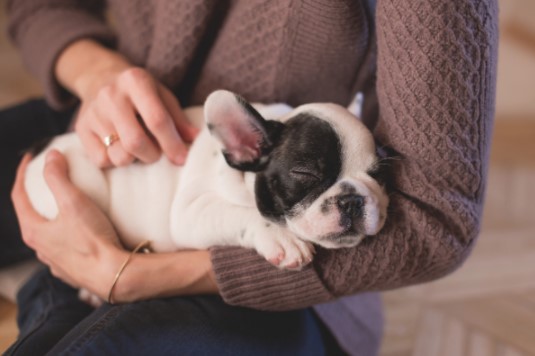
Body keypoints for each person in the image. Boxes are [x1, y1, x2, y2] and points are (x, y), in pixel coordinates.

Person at [1, 0, 498, 354]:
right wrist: (97, 74)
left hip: (283, 289)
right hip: (110, 136)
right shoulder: (255, 143)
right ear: (243, 147)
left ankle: (52, 295)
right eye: (311, 179)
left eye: (372, 177)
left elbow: (438, 219)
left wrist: (132, 277)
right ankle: (57, 290)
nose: (351, 199)